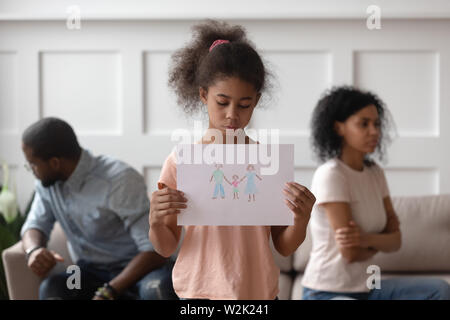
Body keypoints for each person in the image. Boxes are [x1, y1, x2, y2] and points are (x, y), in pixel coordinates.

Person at [149, 19, 315, 300]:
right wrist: (154, 220)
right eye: (222, 102)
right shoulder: (182, 161)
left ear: (257, 101)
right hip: (198, 292)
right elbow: (166, 247)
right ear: (204, 95)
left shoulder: (267, 162)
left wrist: (301, 218)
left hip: (258, 294)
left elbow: (284, 246)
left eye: (244, 105)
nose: (232, 115)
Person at [302, 86, 450, 300]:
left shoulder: (375, 173)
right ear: (339, 128)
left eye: (376, 124)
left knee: (440, 290)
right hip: (325, 291)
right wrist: (380, 241)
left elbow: (396, 241)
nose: (374, 131)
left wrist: (365, 239)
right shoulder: (331, 175)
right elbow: (351, 254)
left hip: (368, 289)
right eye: (364, 124)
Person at [20, 117, 177, 300]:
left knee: (157, 290)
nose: (32, 170)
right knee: (54, 289)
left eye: (32, 164)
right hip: (88, 273)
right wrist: (34, 250)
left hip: (140, 271)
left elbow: (155, 250)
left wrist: (109, 291)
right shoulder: (48, 184)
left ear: (55, 163)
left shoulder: (119, 180)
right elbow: (35, 224)